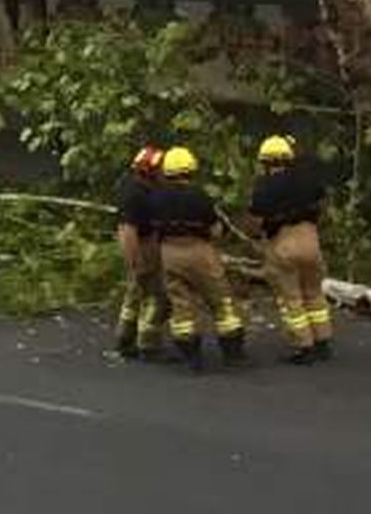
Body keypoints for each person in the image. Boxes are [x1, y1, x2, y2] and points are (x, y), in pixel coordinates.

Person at [151, 147, 245, 372]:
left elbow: (152, 229)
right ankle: (232, 354)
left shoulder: (156, 198)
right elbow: (214, 229)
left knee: (180, 303)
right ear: (190, 169)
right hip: (198, 250)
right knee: (221, 300)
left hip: (169, 253)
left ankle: (191, 356)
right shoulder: (199, 196)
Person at [249, 136, 332, 364]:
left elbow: (255, 220)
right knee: (314, 293)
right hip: (310, 241)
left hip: (283, 244)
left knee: (292, 298)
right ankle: (323, 342)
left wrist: (257, 236)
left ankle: (303, 347)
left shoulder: (264, 186)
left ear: (265, 162)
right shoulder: (306, 179)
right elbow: (323, 203)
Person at [114, 145, 171, 360]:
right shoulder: (136, 195)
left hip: (143, 244)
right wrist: (136, 262)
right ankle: (149, 344)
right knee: (158, 297)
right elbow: (129, 230)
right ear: (151, 170)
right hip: (143, 247)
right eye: (161, 169)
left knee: (134, 294)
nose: (164, 173)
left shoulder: (132, 186)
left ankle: (124, 338)